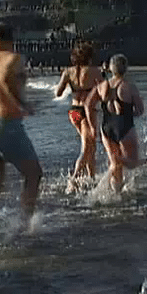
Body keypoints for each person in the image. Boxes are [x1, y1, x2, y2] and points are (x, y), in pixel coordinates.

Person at [0, 22, 42, 221]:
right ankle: (24, 226)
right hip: (5, 124)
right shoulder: (13, 58)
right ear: (11, 40)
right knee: (34, 174)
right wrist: (23, 103)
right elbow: (6, 79)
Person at [85, 54, 143, 192]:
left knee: (115, 165)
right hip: (124, 125)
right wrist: (130, 113)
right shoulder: (129, 87)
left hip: (106, 127)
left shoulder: (101, 86)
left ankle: (115, 193)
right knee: (132, 163)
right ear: (126, 68)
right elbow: (140, 110)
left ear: (111, 69)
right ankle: (115, 166)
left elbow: (88, 104)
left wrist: (93, 127)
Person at [55, 40, 103, 191]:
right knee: (87, 148)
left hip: (73, 111)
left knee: (91, 146)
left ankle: (92, 177)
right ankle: (74, 178)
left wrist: (75, 88)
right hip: (88, 112)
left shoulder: (68, 72)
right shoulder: (94, 71)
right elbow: (104, 91)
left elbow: (58, 92)